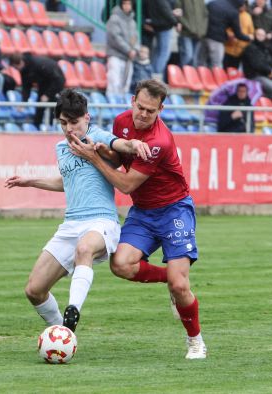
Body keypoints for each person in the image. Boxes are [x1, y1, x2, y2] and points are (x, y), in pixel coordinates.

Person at [68, 79, 207, 360]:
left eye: (150, 111)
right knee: (120, 264)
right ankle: (169, 280)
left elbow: (127, 184)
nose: (143, 114)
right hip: (143, 213)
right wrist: (101, 151)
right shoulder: (121, 122)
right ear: (133, 100)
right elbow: (118, 161)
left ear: (161, 110)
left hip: (174, 210)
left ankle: (196, 341)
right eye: (140, 107)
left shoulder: (159, 141)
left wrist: (93, 159)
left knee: (181, 286)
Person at [4, 89, 151, 332]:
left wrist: (134, 143)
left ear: (87, 118)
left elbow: (120, 144)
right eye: (63, 123)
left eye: (74, 122)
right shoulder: (62, 148)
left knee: (84, 248)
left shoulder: (96, 136)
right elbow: (66, 183)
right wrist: (29, 181)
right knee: (34, 290)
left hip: (101, 222)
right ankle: (62, 332)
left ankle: (73, 309)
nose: (69, 129)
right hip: (71, 225)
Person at [9, 52, 64, 128]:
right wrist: (23, 103)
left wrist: (48, 94)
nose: (16, 69)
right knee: (39, 105)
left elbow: (58, 80)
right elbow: (26, 87)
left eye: (16, 67)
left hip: (56, 81)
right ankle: (36, 126)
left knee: (51, 106)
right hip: (43, 83)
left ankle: (51, 128)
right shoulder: (23, 69)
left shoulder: (38, 64)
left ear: (21, 62)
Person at [105, 0, 139, 96]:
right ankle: (112, 105)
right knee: (114, 82)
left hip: (128, 57)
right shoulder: (114, 19)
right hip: (115, 55)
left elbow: (136, 38)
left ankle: (122, 106)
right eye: (125, 4)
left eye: (129, 4)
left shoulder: (132, 21)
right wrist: (128, 50)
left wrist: (135, 50)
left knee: (126, 85)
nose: (127, 6)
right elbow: (115, 37)